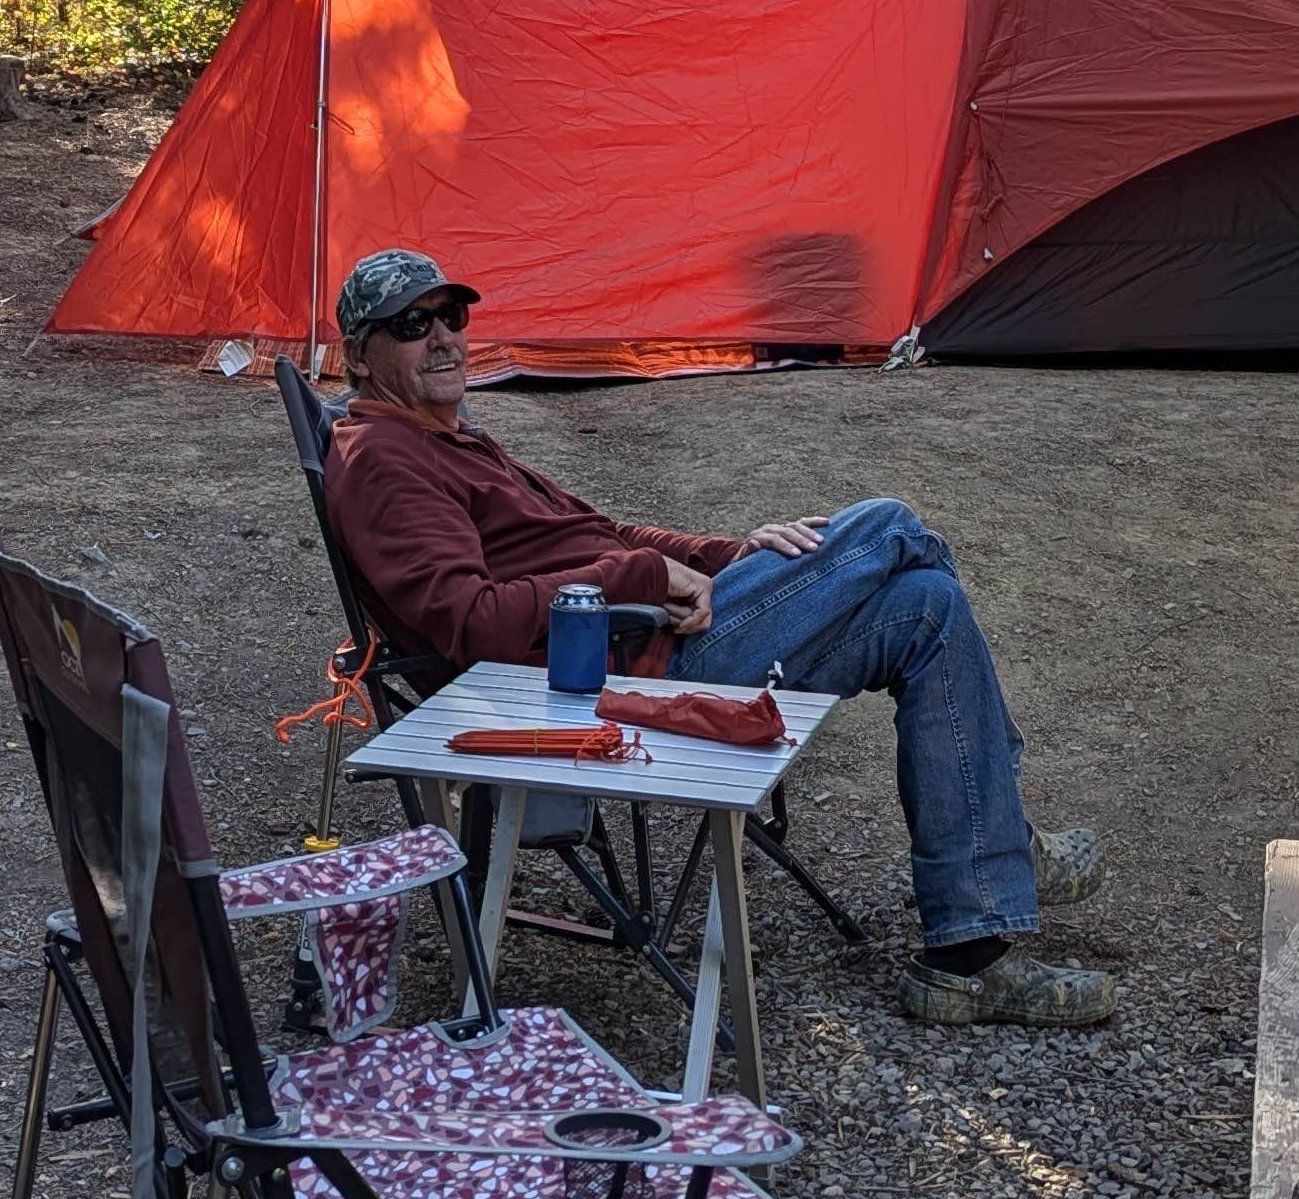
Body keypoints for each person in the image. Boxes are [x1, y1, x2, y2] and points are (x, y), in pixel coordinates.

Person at [319, 248, 1113, 1030]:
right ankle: (1001, 849)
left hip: (639, 642)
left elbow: (601, 533)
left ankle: (966, 958)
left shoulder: (448, 438)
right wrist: (640, 577)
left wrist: (729, 556)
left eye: (450, 316)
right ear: (359, 355)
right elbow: (470, 622)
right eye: (411, 325)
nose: (443, 337)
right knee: (888, 525)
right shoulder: (387, 460)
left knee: (925, 605)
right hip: (615, 679)